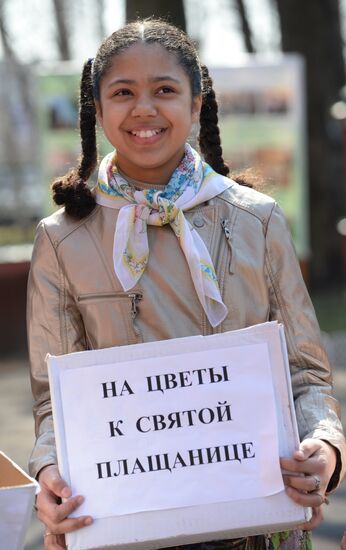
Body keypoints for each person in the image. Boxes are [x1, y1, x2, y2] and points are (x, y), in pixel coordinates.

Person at [27, 19, 345, 550]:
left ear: (197, 105)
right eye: (123, 92)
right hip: (124, 531)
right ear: (98, 111)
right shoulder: (61, 241)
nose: (144, 109)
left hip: (260, 530)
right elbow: (52, 404)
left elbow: (306, 373)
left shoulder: (257, 221)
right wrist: (50, 473)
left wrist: (325, 445)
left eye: (166, 91)